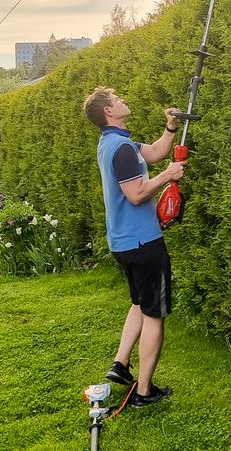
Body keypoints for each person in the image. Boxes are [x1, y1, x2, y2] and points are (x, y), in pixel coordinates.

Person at [83, 86, 185, 407]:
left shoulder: (115, 143)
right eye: (117, 99)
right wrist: (168, 176)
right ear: (109, 112)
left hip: (125, 242)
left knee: (140, 303)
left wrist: (170, 127)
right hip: (143, 242)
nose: (123, 99)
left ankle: (120, 364)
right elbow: (137, 193)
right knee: (154, 314)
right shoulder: (122, 150)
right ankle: (143, 392)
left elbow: (154, 152)